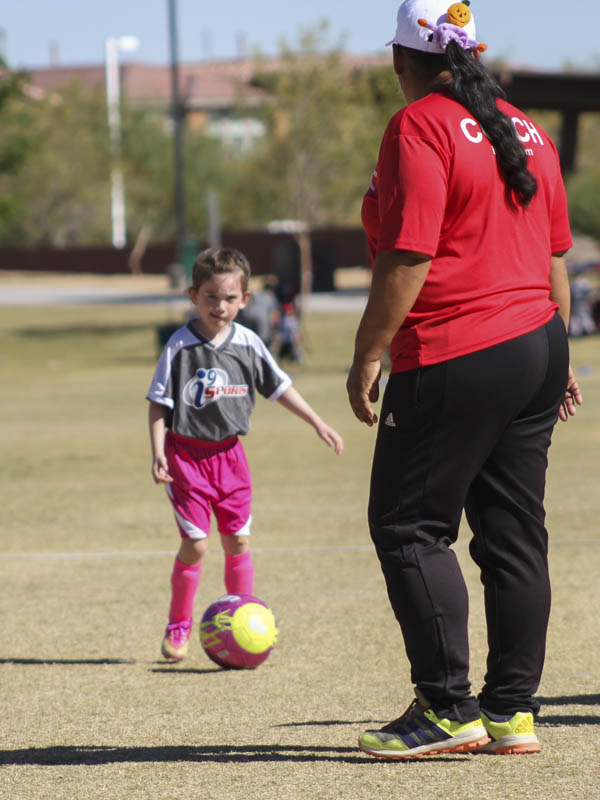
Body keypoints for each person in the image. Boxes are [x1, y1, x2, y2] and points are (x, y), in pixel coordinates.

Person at [346, 0, 583, 760]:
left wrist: (367, 353)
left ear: (399, 59)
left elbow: (408, 255)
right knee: (515, 537)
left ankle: (448, 710)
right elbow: (554, 262)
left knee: (409, 526)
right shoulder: (529, 128)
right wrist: (563, 361)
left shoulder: (418, 126)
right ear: (475, 52)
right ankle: (513, 713)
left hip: (459, 349)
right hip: (537, 344)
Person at [148, 247, 343, 661]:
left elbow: (279, 388)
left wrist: (317, 421)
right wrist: (158, 452)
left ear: (245, 300)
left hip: (231, 457)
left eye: (230, 298)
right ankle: (178, 626)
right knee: (197, 545)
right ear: (193, 296)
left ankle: (246, 620)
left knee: (237, 540)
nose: (220, 306)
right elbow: (158, 403)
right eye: (211, 297)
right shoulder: (180, 346)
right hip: (186, 457)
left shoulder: (249, 343)